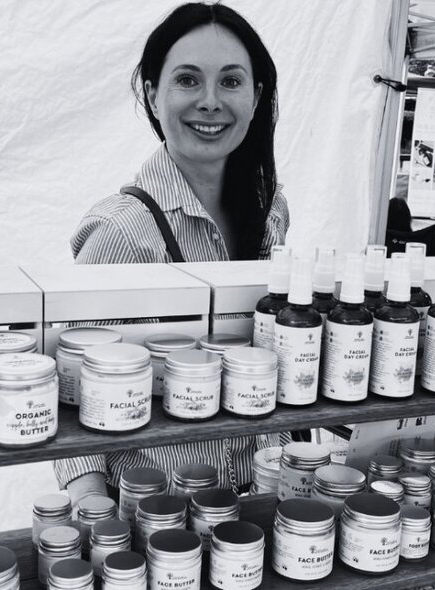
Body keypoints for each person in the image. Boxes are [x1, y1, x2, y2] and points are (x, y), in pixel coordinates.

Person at [55, 3, 289, 506]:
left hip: (260, 500)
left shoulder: (271, 211)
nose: (210, 102)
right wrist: (96, 520)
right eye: (187, 80)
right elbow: (69, 383)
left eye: (231, 82)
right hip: (155, 516)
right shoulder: (124, 230)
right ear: (152, 94)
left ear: (257, 96)